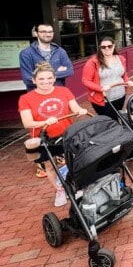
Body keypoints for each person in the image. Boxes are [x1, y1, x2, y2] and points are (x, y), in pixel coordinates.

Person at [18, 62, 88, 206]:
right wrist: (44, 122)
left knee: (73, 161)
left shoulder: (64, 91)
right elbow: (27, 123)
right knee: (49, 166)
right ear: (34, 80)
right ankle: (59, 190)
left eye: (49, 78)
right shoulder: (26, 99)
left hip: (66, 134)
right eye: (41, 79)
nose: (46, 82)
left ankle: (75, 185)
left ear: (54, 78)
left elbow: (75, 108)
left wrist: (80, 110)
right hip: (44, 138)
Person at [82, 36, 133, 120]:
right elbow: (86, 80)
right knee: (108, 121)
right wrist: (100, 88)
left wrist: (127, 81)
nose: (107, 48)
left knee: (118, 117)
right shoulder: (93, 62)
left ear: (114, 46)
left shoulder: (120, 58)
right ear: (99, 48)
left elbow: (123, 74)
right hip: (104, 99)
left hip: (120, 95)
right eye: (103, 47)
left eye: (109, 46)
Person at [19, 23, 73, 91]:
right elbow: (28, 79)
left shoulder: (60, 51)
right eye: (43, 32)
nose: (48, 34)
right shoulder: (26, 54)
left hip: (58, 92)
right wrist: (57, 73)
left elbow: (70, 71)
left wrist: (40, 78)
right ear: (36, 33)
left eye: (50, 32)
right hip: (37, 95)